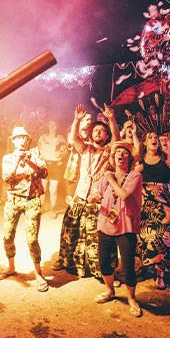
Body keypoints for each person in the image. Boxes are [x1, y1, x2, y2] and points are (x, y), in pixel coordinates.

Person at [54, 105, 115, 280]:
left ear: (107, 136)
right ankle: (68, 263)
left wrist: (111, 119)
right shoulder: (85, 148)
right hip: (80, 196)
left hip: (99, 200)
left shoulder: (110, 151)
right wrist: (76, 120)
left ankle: (101, 271)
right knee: (70, 230)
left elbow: (117, 138)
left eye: (102, 131)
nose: (98, 132)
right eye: (95, 130)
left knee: (98, 238)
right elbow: (73, 137)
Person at [89, 141, 144, 317]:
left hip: (126, 225)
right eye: (117, 152)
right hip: (106, 223)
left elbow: (124, 195)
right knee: (104, 262)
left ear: (129, 158)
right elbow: (94, 194)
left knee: (127, 266)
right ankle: (110, 291)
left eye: (125, 153)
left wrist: (111, 180)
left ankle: (131, 298)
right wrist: (94, 197)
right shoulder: (107, 177)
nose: (120, 155)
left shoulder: (135, 175)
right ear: (113, 158)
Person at [0, 127, 50, 291]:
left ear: (27, 140)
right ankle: (11, 267)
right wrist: (16, 162)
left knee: (32, 239)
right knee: (7, 236)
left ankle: (38, 273)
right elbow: (6, 178)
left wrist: (29, 161)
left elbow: (44, 173)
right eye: (17, 138)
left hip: (32, 199)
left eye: (23, 138)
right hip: (13, 200)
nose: (20, 141)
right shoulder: (7, 158)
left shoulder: (35, 153)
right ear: (12, 141)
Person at [135, 132, 170, 290]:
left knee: (163, 237)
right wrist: (137, 171)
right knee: (143, 237)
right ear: (145, 143)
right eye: (150, 138)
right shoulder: (140, 160)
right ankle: (144, 266)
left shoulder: (166, 159)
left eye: (155, 138)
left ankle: (160, 275)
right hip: (144, 202)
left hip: (164, 201)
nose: (153, 140)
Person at [37, 120, 67, 216]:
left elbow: (65, 152)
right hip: (44, 165)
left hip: (55, 166)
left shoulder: (60, 138)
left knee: (53, 190)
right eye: (50, 124)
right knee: (43, 189)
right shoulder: (42, 138)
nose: (52, 126)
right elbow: (38, 150)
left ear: (57, 126)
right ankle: (41, 206)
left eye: (54, 124)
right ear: (48, 125)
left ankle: (53, 209)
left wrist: (60, 161)